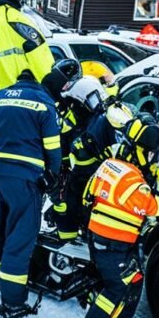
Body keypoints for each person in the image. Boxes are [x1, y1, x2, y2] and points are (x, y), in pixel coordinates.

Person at [0, 64, 76, 318]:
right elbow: (54, 149)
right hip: (25, 180)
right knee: (19, 240)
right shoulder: (44, 103)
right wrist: (51, 179)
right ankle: (12, 303)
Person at [81, 116, 159, 318]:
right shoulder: (134, 180)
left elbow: (87, 195)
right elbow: (153, 207)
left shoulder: (109, 165)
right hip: (113, 243)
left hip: (100, 238)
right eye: (151, 154)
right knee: (118, 286)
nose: (152, 159)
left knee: (133, 278)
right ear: (141, 151)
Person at [51, 77, 134, 243]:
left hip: (99, 180)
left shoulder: (106, 121)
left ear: (85, 101)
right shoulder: (104, 115)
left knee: (67, 205)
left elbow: (115, 152)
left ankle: (68, 242)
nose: (73, 109)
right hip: (93, 177)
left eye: (75, 104)